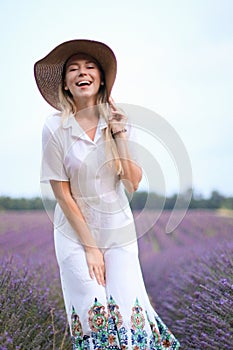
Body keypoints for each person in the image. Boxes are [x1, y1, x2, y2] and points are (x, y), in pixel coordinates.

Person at [34, 39, 180, 350]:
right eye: (73, 69)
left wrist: (120, 134)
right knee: (92, 310)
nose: (81, 73)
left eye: (89, 67)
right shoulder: (54, 128)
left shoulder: (118, 121)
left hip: (117, 228)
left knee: (128, 312)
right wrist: (90, 247)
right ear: (66, 84)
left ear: (101, 78)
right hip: (75, 232)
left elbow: (133, 181)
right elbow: (61, 192)